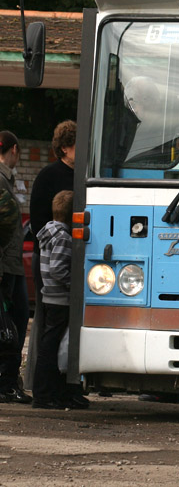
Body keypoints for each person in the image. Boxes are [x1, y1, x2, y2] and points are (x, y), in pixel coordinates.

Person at [25, 120, 76, 388]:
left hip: (69, 258)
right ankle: (45, 384)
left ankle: (67, 384)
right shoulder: (49, 176)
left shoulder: (83, 175)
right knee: (50, 326)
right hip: (54, 258)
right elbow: (38, 222)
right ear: (65, 148)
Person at [32, 190, 87, 409]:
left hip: (48, 296)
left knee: (49, 345)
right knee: (53, 346)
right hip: (60, 298)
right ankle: (45, 395)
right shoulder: (64, 238)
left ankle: (48, 392)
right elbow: (57, 268)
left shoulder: (47, 232)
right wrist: (74, 286)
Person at [0, 131, 30, 404]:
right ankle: (6, 382)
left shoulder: (7, 179)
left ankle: (8, 381)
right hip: (7, 265)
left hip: (11, 263)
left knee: (13, 321)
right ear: (15, 150)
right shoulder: (3, 179)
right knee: (12, 323)